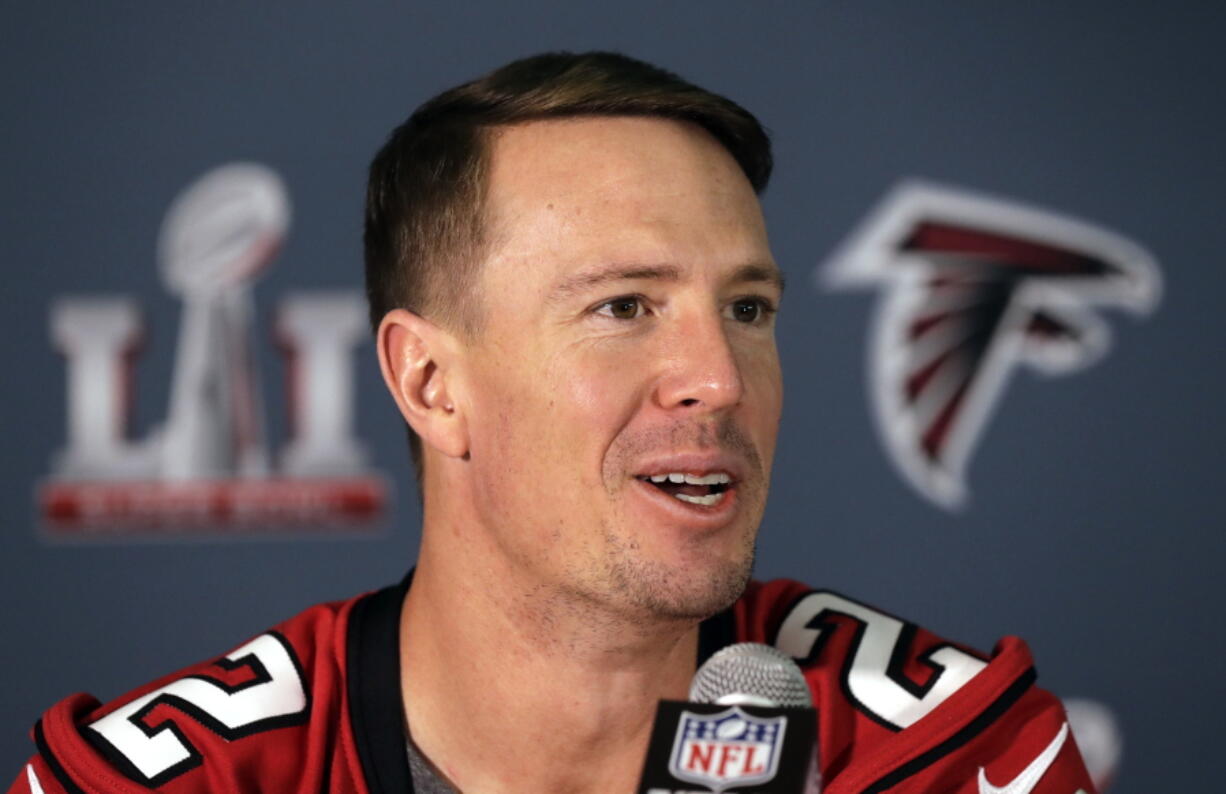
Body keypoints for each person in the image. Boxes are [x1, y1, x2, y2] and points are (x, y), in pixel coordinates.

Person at [9, 52, 1099, 794]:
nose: (717, 377)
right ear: (432, 382)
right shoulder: (181, 779)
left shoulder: (946, 757)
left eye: (747, 308)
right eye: (622, 307)